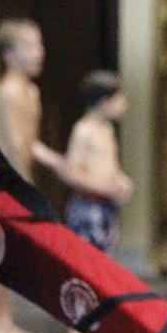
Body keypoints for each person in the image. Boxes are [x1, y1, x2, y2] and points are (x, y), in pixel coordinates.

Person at [0, 18, 48, 333]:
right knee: (1, 251)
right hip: (4, 182)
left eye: (38, 44)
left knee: (11, 254)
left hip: (20, 180)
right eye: (29, 46)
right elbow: (10, 145)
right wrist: (21, 189)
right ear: (8, 56)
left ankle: (5, 319)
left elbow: (30, 144)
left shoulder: (31, 91)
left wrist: (61, 164)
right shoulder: (10, 91)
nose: (38, 52)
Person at [32, 70, 133, 255]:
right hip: (88, 206)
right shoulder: (84, 130)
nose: (124, 105)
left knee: (105, 259)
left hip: (106, 205)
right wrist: (107, 187)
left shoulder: (107, 129)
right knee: (90, 261)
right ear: (104, 101)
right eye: (120, 100)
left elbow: (107, 166)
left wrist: (120, 181)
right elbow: (72, 173)